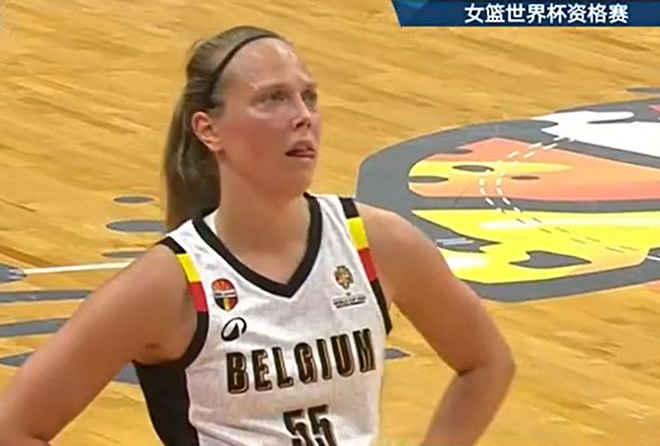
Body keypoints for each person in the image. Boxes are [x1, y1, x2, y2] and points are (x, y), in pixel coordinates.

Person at [0, 25, 515, 446]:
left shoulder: (376, 241)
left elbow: (486, 362)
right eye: (273, 99)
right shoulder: (170, 282)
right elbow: (16, 427)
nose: (302, 117)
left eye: (308, 97)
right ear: (209, 130)